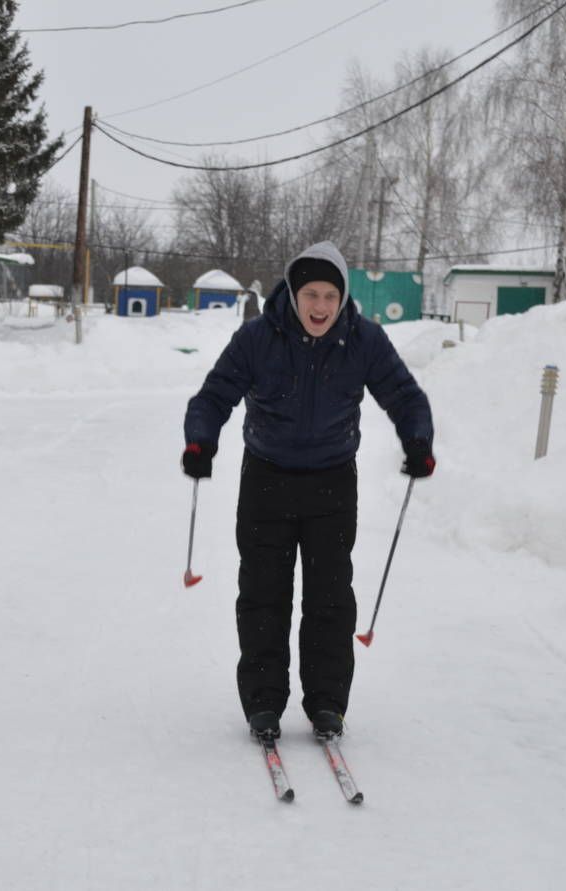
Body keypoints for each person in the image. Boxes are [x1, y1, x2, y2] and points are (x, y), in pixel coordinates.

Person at [181, 240, 433, 743]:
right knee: (263, 595)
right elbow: (216, 394)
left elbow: (403, 394)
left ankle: (326, 704)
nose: (321, 306)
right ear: (294, 294)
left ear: (343, 299)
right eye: (311, 294)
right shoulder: (258, 338)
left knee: (330, 599)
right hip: (266, 481)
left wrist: (418, 438)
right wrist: (200, 439)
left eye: (330, 296)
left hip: (332, 483)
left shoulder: (363, 340)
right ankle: (263, 703)